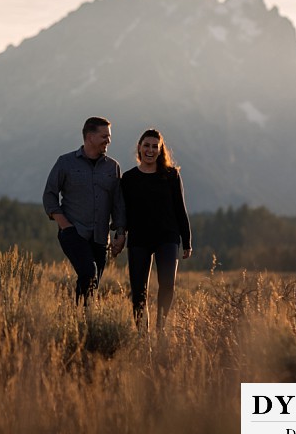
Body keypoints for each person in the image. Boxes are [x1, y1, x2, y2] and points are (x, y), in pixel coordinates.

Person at [43, 116, 127, 305]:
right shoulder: (65, 163)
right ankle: (83, 320)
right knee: (89, 273)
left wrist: (120, 233)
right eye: (104, 136)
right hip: (74, 232)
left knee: (93, 281)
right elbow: (49, 195)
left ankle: (83, 322)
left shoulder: (113, 167)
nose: (109, 140)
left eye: (109, 136)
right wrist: (65, 225)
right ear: (90, 137)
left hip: (100, 237)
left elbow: (118, 204)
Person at [119, 128, 192, 332]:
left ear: (160, 151)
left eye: (155, 147)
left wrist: (187, 241)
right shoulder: (129, 178)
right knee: (138, 291)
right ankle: (143, 334)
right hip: (139, 239)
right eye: (146, 145)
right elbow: (123, 212)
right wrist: (120, 234)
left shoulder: (171, 175)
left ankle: (161, 328)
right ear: (139, 148)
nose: (150, 150)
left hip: (167, 237)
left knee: (167, 284)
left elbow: (180, 208)